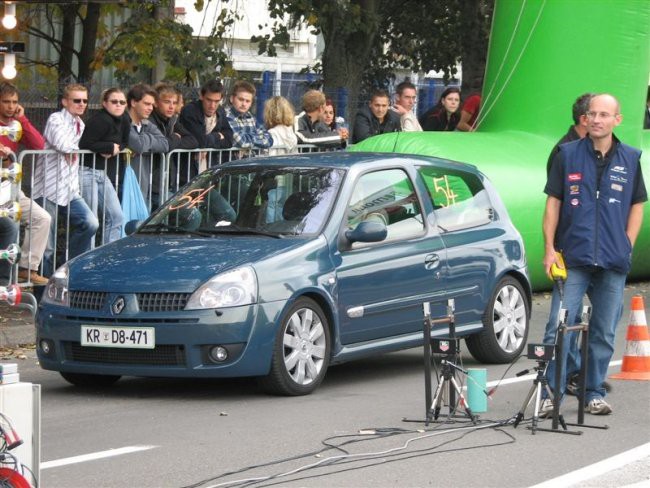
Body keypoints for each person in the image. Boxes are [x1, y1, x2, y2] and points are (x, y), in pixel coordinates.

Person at [541, 93, 647, 416]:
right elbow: (553, 204)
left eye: (604, 114)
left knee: (603, 330)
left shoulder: (630, 158)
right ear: (584, 119)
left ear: (618, 119)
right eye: (592, 114)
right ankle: (550, 393)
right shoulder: (567, 154)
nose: (597, 120)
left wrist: (627, 244)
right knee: (559, 324)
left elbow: (637, 205)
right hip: (573, 258)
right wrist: (549, 249)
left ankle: (593, 393)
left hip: (613, 261)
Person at [33, 83, 99, 277]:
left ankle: (65, 268)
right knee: (47, 245)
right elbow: (63, 144)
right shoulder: (56, 119)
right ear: (65, 101)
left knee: (91, 223)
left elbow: (75, 147)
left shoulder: (81, 125)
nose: (81, 104)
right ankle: (42, 289)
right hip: (48, 187)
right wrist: (90, 146)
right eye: (76, 100)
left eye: (85, 101)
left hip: (69, 188)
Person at [0, 82, 50, 284]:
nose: (11, 106)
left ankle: (27, 269)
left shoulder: (16, 123)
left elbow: (39, 145)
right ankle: (3, 280)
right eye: (5, 102)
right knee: (9, 226)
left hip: (10, 188)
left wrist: (22, 119)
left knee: (42, 218)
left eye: (14, 102)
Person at [78, 87, 130, 244]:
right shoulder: (99, 120)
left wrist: (115, 149)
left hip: (102, 172)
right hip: (87, 171)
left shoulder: (125, 119)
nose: (118, 105)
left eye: (122, 102)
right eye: (114, 102)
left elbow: (124, 142)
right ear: (104, 103)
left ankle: (108, 256)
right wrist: (108, 147)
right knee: (91, 221)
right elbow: (85, 143)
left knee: (117, 216)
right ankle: (87, 258)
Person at [150, 83, 198, 207]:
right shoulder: (150, 120)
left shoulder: (172, 120)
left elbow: (193, 141)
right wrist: (174, 138)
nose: (171, 106)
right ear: (156, 103)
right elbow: (161, 145)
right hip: (150, 185)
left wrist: (171, 143)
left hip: (165, 184)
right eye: (167, 102)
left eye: (174, 102)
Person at [126, 83, 169, 205]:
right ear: (133, 102)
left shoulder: (147, 124)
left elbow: (164, 144)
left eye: (152, 104)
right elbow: (138, 145)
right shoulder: (124, 123)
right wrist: (149, 141)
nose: (150, 108)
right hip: (123, 185)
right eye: (146, 104)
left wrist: (145, 138)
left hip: (142, 187)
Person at [179, 79, 233, 172]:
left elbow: (229, 140)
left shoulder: (220, 111)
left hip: (210, 165)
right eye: (209, 100)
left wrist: (207, 143)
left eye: (216, 101)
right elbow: (200, 140)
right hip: (187, 166)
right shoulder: (190, 110)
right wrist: (218, 136)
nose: (212, 105)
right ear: (201, 96)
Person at [546, 93, 594, 174]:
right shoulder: (563, 153)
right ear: (584, 120)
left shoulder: (594, 146)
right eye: (595, 114)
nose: (600, 120)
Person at [224, 80, 273, 150]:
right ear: (232, 99)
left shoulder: (250, 117)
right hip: (230, 160)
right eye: (241, 99)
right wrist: (258, 138)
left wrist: (249, 138)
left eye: (247, 101)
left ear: (251, 103)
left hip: (250, 159)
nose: (244, 104)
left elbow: (269, 140)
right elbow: (242, 142)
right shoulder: (226, 115)